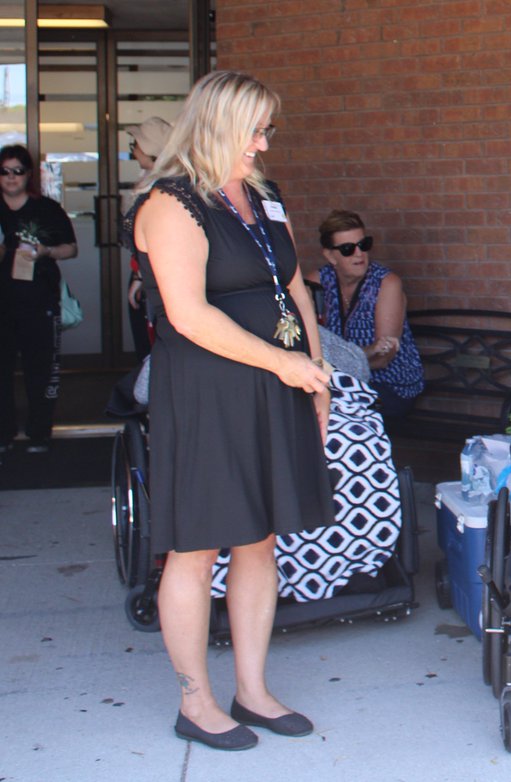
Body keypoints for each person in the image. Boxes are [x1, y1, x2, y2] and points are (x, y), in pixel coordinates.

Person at [126, 70, 334, 751]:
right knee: (194, 549)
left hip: (276, 384)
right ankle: (196, 702)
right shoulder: (170, 203)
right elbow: (188, 315)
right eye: (253, 131)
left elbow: (294, 286)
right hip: (208, 394)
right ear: (215, 125)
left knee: (259, 539)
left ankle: (253, 690)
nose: (263, 144)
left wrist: (316, 374)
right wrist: (283, 363)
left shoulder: (264, 197)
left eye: (267, 130)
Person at [309, 209, 423, 422]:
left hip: (389, 384)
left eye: (363, 244)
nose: (359, 253)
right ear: (330, 255)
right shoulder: (317, 282)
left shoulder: (385, 283)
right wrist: (365, 353)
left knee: (334, 410)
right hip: (337, 382)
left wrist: (330, 366)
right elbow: (309, 344)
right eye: (347, 249)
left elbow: (383, 359)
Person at [0, 144, 78, 455]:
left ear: (29, 174)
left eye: (17, 171)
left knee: (40, 371)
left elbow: (71, 248)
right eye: (4, 171)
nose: (11, 177)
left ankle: (39, 433)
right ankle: (3, 434)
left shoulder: (46, 209)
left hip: (38, 301)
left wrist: (46, 252)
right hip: (2, 304)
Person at [124, 116, 173, 360]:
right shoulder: (160, 183)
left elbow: (157, 242)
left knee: (153, 348)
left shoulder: (158, 190)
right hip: (150, 274)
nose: (133, 150)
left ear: (149, 149)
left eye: (136, 144)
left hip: (153, 278)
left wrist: (139, 276)